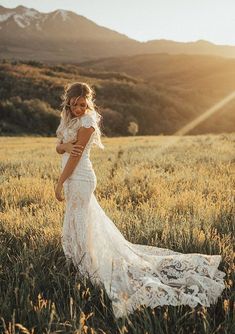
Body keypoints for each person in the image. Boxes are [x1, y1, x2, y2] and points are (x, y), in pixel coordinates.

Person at [54, 82, 226, 319]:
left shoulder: (87, 122)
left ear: (88, 103)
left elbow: (74, 155)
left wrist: (59, 181)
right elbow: (59, 148)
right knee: (79, 221)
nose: (79, 109)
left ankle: (89, 268)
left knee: (81, 221)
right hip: (73, 178)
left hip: (80, 178)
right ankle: (80, 263)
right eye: (74, 104)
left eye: (83, 104)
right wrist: (63, 145)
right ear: (68, 102)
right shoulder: (69, 119)